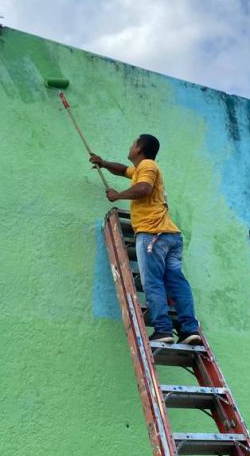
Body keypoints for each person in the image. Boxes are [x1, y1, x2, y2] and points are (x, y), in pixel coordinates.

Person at [90, 134, 202, 345]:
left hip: (152, 234)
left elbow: (144, 188)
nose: (130, 145)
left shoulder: (147, 165)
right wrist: (103, 163)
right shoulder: (141, 169)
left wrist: (118, 196)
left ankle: (163, 330)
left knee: (153, 282)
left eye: (133, 143)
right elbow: (123, 170)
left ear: (140, 148)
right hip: (169, 235)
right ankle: (189, 330)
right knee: (177, 282)